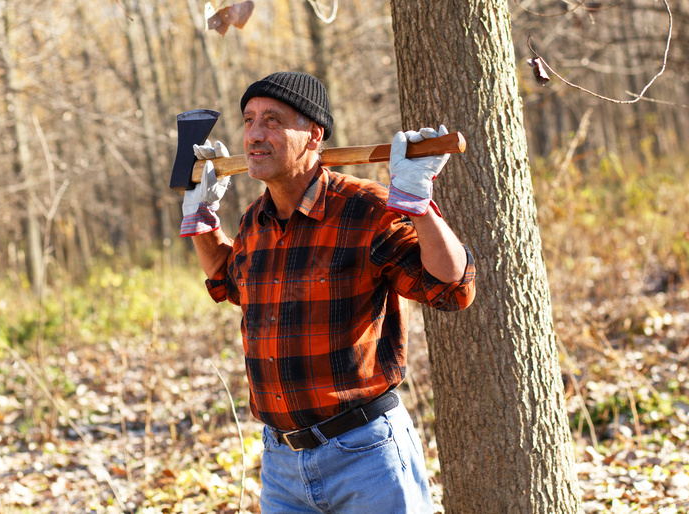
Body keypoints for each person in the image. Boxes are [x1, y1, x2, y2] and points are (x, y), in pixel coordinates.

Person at [180, 71, 476, 513]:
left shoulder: (366, 209)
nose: (255, 135)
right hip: (282, 464)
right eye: (249, 120)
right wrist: (201, 215)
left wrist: (418, 205)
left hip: (365, 458)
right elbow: (229, 281)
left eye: (273, 121)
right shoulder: (254, 221)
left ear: (314, 135)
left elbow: (452, 288)